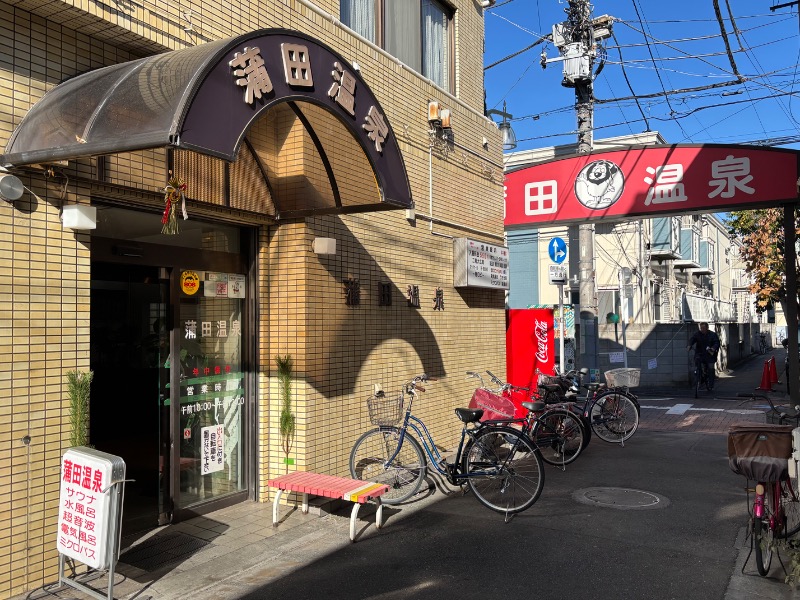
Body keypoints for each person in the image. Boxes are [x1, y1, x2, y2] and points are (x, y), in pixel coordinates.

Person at [687, 322, 720, 391]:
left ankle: (711, 384)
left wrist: (713, 348)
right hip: (700, 353)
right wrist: (689, 345)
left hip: (709, 354)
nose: (702, 330)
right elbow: (692, 339)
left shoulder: (712, 335)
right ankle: (699, 379)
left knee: (710, 368)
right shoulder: (697, 334)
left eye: (704, 328)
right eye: (701, 328)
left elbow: (716, 342)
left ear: (707, 328)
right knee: (697, 364)